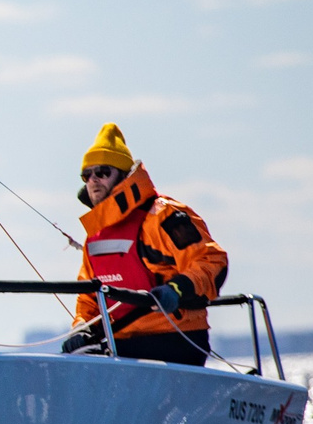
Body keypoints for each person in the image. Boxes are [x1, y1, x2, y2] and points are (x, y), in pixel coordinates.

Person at [61, 122, 227, 366]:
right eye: (88, 175)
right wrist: (81, 330)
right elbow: (88, 298)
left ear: (123, 176)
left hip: (174, 340)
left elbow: (211, 261)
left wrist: (176, 290)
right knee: (74, 356)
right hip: (121, 347)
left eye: (103, 172)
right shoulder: (95, 236)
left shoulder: (163, 216)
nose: (94, 180)